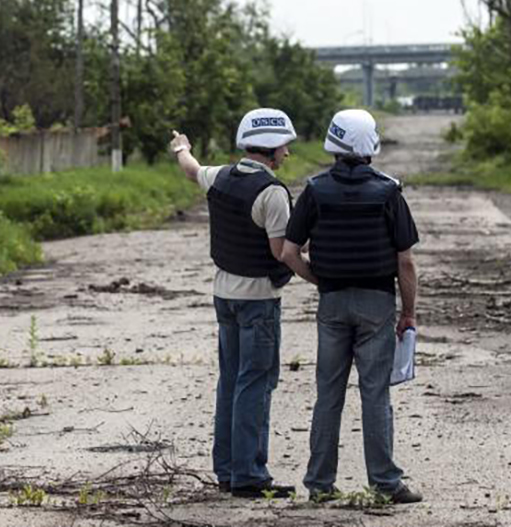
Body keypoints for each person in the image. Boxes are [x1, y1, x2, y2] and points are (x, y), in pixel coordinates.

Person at [280, 108, 422, 505]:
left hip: (332, 302)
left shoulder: (315, 189)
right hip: (377, 304)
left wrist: (321, 281)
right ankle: (385, 483)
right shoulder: (388, 192)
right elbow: (405, 261)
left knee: (328, 394)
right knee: (375, 395)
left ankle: (320, 485)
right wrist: (408, 313)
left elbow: (290, 253)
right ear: (369, 144)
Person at [170, 108, 305, 499]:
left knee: (230, 380)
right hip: (258, 300)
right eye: (285, 147)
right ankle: (249, 475)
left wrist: (181, 147)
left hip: (223, 296)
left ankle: (228, 470)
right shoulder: (273, 193)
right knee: (256, 383)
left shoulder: (221, 177)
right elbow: (282, 253)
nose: (287, 154)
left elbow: (191, 169)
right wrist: (318, 276)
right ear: (272, 148)